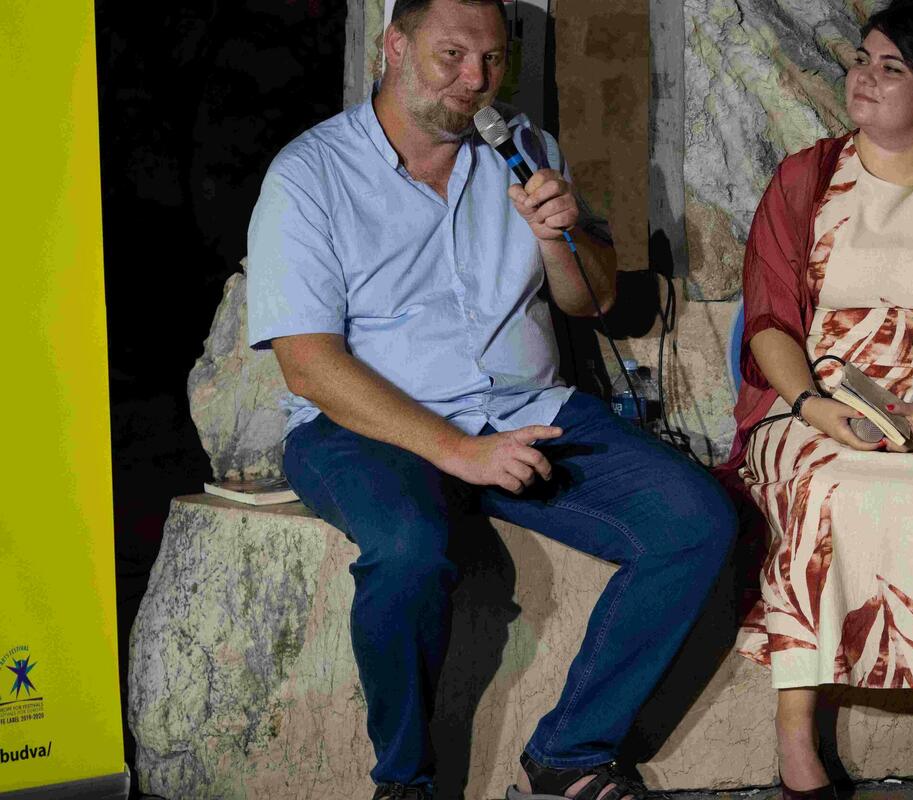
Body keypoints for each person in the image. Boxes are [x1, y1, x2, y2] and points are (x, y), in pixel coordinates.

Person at [245, 1, 737, 798]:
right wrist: (459, 452)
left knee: (697, 522)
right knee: (408, 549)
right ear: (394, 47)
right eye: (452, 56)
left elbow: (591, 301)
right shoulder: (310, 175)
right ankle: (404, 783)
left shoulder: (524, 148)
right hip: (365, 425)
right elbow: (308, 366)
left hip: (524, 408)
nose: (475, 80)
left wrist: (559, 238)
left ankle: (569, 754)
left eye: (493, 60)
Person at [716, 1, 913, 798]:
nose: (864, 77)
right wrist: (810, 407)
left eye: (891, 67)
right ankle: (796, 737)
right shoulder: (804, 178)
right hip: (817, 392)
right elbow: (768, 320)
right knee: (819, 487)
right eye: (862, 58)